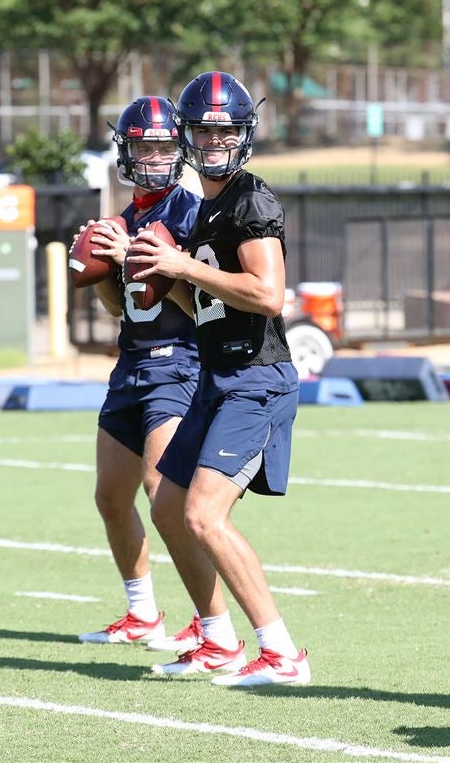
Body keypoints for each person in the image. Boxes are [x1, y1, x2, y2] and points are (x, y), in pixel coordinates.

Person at [128, 71, 309, 687]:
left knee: (205, 515)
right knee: (170, 507)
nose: (214, 140)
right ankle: (219, 640)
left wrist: (179, 263)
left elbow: (268, 294)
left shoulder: (248, 199)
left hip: (256, 376)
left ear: (245, 135)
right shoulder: (204, 207)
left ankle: (282, 653)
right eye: (204, 129)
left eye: (226, 129)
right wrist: (152, 271)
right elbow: (198, 303)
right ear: (185, 136)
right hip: (217, 373)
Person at [73, 95, 220, 653]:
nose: (156, 157)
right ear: (126, 152)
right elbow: (120, 305)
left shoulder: (190, 212)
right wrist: (108, 263)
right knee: (111, 496)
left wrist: (150, 255)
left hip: (181, 362)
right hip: (131, 361)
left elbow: (200, 299)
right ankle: (142, 613)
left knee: (166, 494)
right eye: (145, 147)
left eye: (164, 147)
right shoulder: (127, 217)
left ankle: (210, 623)